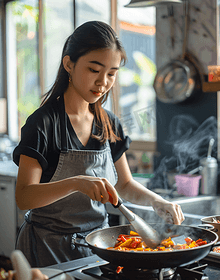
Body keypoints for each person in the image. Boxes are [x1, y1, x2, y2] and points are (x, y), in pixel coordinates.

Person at [13, 21, 184, 268]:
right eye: (94, 69)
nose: (103, 82)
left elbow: (123, 185)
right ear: (69, 64)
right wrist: (76, 183)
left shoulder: (109, 123)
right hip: (46, 249)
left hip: (98, 248)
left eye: (112, 73)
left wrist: (157, 201)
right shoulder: (43, 123)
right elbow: (24, 196)